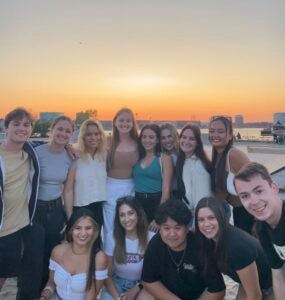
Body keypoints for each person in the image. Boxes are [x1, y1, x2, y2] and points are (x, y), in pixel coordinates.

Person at [141, 199, 225, 300]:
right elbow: (148, 281)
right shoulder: (156, 244)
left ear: (187, 228)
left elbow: (218, 290)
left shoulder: (202, 245)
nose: (172, 234)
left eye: (177, 228)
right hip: (168, 296)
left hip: (198, 296)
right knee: (145, 297)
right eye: (166, 228)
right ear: (160, 228)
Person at [0, 107, 44, 299]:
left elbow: (56, 145)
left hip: (13, 228)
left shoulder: (30, 153)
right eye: (16, 124)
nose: (22, 128)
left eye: (26, 125)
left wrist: (70, 147)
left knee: (2, 275)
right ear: (6, 127)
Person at [195, 196, 273, 300]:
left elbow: (255, 295)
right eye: (201, 220)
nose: (206, 224)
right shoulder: (209, 241)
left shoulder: (236, 245)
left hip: (273, 285)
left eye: (211, 218)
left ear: (221, 217)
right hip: (248, 283)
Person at [234, 162, 285, 300]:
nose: (254, 201)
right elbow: (278, 274)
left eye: (259, 191)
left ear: (274, 188)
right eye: (245, 196)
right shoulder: (261, 229)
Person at [34, 115, 74, 288]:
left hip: (56, 209)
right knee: (33, 254)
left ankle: (47, 290)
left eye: (67, 131)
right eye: (60, 129)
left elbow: (68, 189)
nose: (63, 133)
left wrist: (70, 217)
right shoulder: (36, 152)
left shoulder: (71, 157)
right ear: (52, 130)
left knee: (52, 253)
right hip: (35, 210)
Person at [40, 208, 108, 300]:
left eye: (88, 228)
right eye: (78, 228)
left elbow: (92, 296)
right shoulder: (57, 251)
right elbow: (51, 283)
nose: (83, 233)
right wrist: (44, 296)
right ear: (71, 230)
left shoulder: (98, 258)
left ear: (94, 231)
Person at [100, 196, 155, 300]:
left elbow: (154, 275)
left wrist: (136, 289)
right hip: (118, 282)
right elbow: (107, 274)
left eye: (130, 213)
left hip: (143, 285)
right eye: (122, 215)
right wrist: (118, 297)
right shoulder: (112, 237)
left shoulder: (151, 238)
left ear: (138, 213)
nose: (126, 219)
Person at [208, 115, 254, 233]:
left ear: (229, 135)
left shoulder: (233, 155)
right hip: (238, 213)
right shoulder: (217, 155)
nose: (215, 135)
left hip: (251, 213)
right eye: (212, 131)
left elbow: (258, 182)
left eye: (220, 131)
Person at [103, 108, 139, 247]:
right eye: (121, 120)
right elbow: (82, 148)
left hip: (131, 188)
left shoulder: (138, 142)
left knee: (129, 227)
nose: (125, 123)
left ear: (133, 123)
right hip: (110, 188)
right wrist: (70, 148)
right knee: (110, 229)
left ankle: (127, 262)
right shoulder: (107, 140)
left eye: (128, 120)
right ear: (115, 122)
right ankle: (109, 262)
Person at [64, 119, 107, 228]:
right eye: (89, 134)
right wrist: (70, 217)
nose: (93, 138)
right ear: (82, 137)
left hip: (99, 207)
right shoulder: (75, 156)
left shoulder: (104, 155)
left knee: (95, 243)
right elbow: (68, 190)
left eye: (96, 134)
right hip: (80, 209)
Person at [133, 123, 173, 231]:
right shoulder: (137, 157)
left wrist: (158, 217)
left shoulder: (164, 158)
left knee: (155, 238)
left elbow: (166, 190)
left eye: (151, 137)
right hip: (137, 203)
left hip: (156, 202)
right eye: (144, 137)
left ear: (157, 140)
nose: (147, 140)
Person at [176, 123, 212, 221]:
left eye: (191, 139)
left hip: (198, 217)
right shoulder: (184, 161)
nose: (186, 141)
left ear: (197, 143)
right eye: (184, 137)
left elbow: (202, 200)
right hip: (190, 214)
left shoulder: (198, 166)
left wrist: (196, 224)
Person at [160, 123, 179, 196]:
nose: (167, 140)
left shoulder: (182, 155)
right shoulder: (160, 157)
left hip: (179, 194)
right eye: (163, 138)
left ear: (175, 136)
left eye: (169, 136)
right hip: (163, 194)